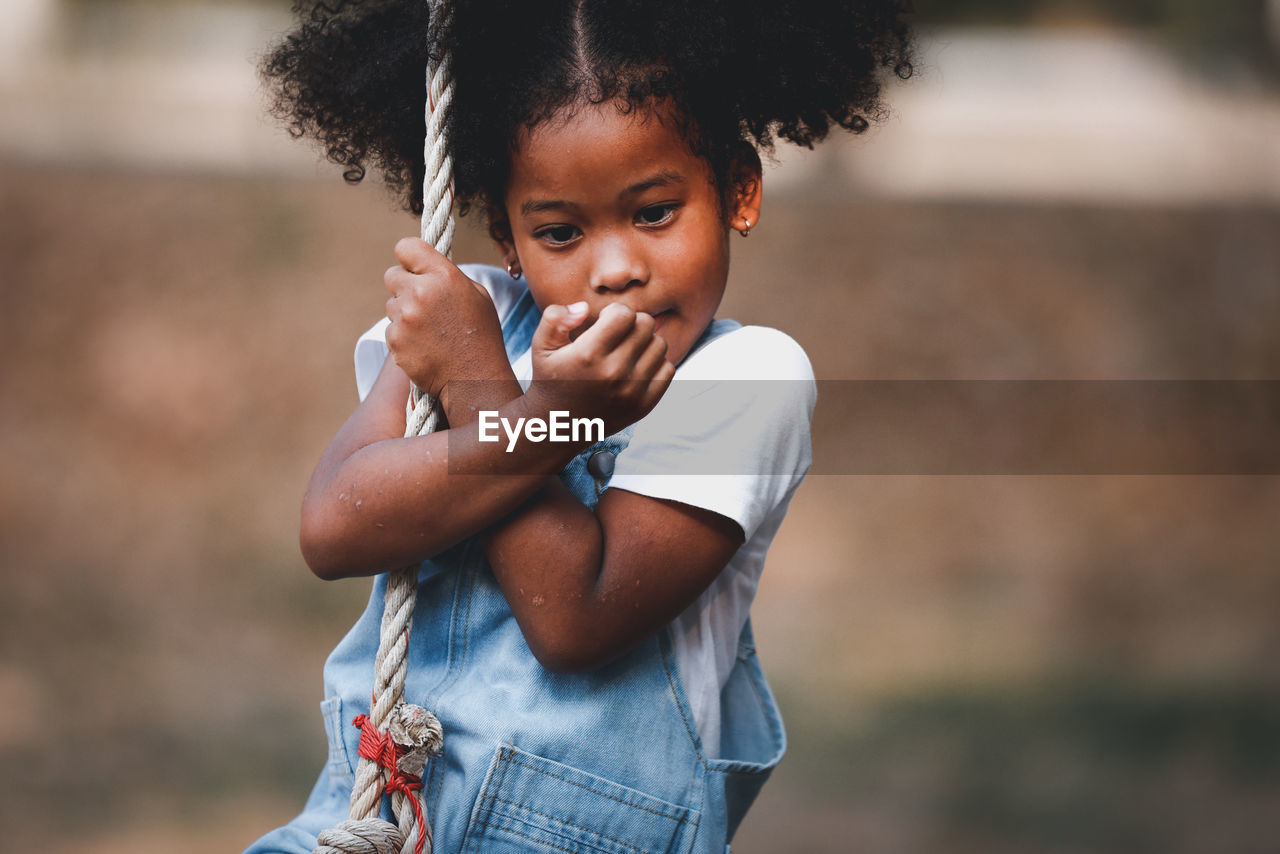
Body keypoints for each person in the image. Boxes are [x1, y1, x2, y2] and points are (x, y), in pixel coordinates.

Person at [246, 2, 912, 852]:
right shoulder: (473, 316)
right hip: (373, 823)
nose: (615, 269)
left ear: (737, 190)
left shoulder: (744, 379)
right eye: (561, 231)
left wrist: (502, 396)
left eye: (654, 213)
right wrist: (518, 393)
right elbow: (333, 529)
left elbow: (574, 620)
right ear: (509, 236)